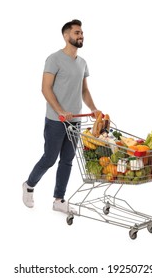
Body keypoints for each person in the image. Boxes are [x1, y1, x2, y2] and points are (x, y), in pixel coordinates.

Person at [22, 19, 99, 213]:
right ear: (66, 36)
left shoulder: (83, 62)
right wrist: (60, 111)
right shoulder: (54, 59)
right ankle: (29, 185)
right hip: (56, 121)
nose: (80, 36)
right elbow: (45, 89)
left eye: (81, 33)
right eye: (76, 33)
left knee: (67, 160)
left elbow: (84, 91)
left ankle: (59, 199)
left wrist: (94, 108)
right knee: (49, 158)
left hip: (75, 121)